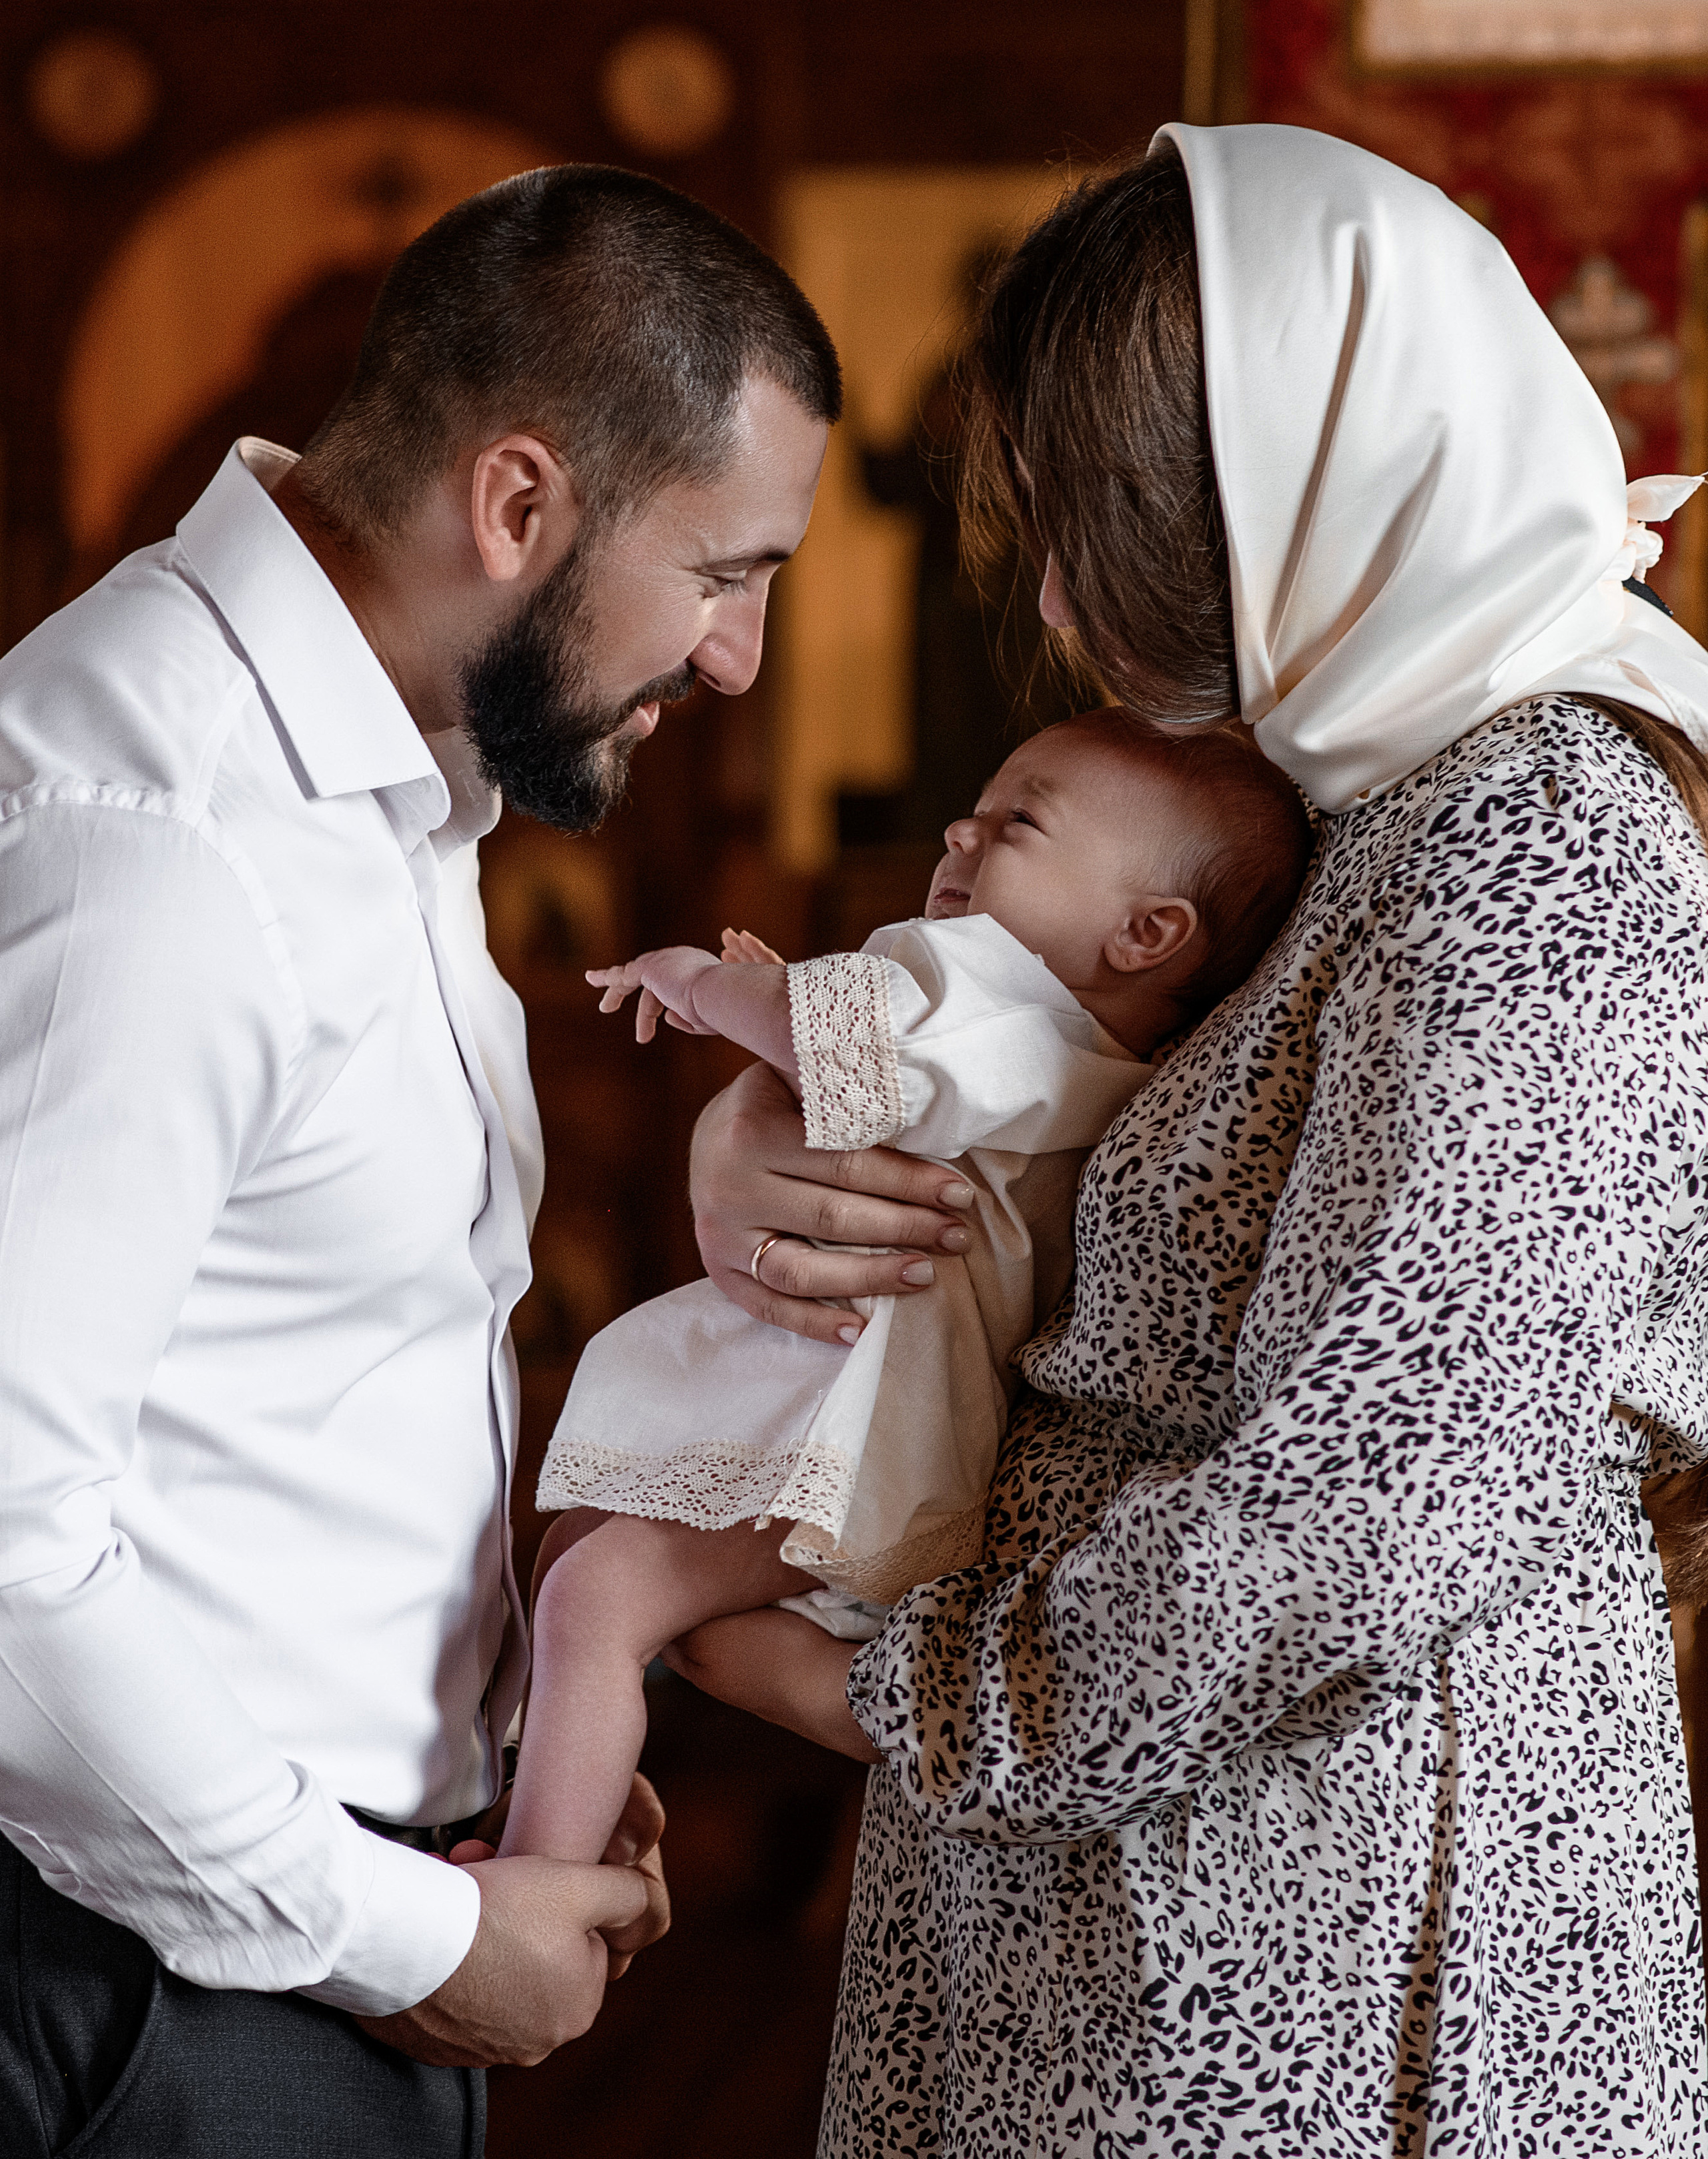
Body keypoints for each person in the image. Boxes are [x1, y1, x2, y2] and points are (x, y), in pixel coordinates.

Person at [681, 126, 1708, 2152]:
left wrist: (905, 1698)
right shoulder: (1342, 772)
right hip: (1159, 1858)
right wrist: (759, 1131)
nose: (1058, 601)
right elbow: (1018, 1058)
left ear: (1302, 471)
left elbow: (1389, 1484)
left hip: (1326, 1916)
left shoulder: (1536, 837)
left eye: (1108, 528)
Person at [0, 164, 839, 2156]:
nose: (734, 656)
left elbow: (292, 1390)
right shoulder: (164, 837)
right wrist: (401, 1927)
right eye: (722, 567)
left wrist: (484, 1748)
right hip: (146, 1994)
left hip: (293, 1922)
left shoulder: (387, 780)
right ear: (517, 504)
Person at [495, 711, 1309, 1869]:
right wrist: (793, 1023)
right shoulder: (1078, 1051)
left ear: (1144, 932)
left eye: (1017, 820)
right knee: (585, 1564)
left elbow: (853, 1058)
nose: (960, 829)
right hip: (899, 1448)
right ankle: (565, 1815)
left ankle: (541, 1890)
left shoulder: (992, 988)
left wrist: (704, 983)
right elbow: (875, 1069)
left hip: (855, 1448)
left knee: (593, 1596)